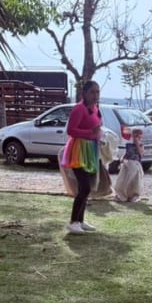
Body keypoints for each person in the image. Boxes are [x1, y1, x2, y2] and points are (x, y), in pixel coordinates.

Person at [60, 80, 102, 233]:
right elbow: (71, 130)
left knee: (88, 187)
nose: (95, 95)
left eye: (97, 92)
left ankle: (80, 220)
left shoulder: (96, 108)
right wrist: (90, 133)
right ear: (84, 93)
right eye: (92, 92)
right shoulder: (79, 109)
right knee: (84, 187)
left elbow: (96, 127)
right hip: (78, 151)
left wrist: (98, 135)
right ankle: (73, 221)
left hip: (91, 151)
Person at [114, 128, 145, 202]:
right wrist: (122, 158)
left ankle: (133, 195)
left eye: (139, 135)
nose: (137, 136)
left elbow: (141, 153)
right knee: (123, 179)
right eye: (135, 134)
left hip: (135, 163)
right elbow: (127, 152)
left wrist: (137, 143)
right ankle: (122, 194)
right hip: (127, 162)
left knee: (134, 180)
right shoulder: (128, 144)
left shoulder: (141, 144)